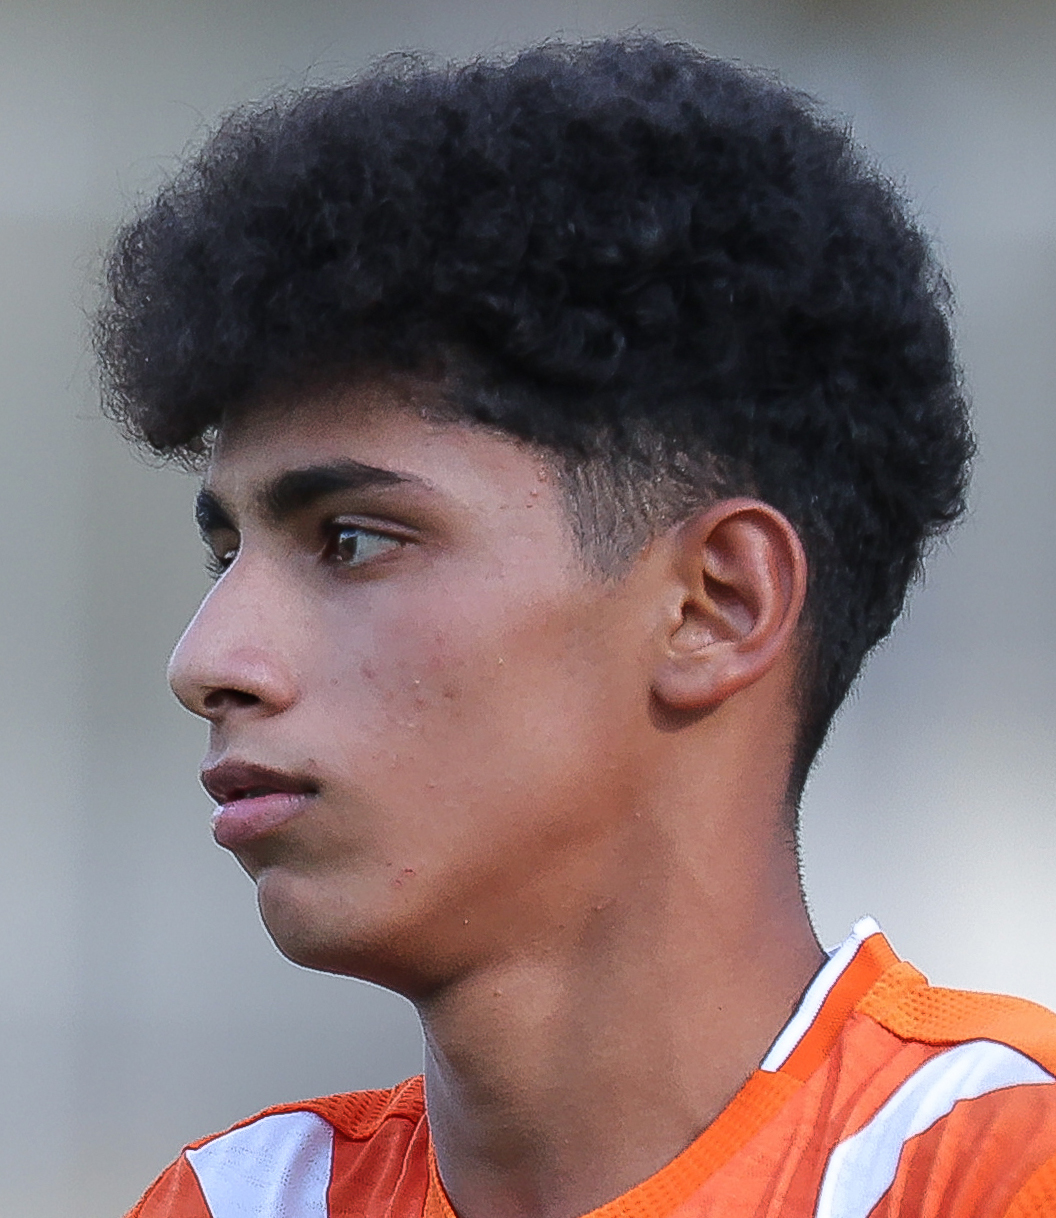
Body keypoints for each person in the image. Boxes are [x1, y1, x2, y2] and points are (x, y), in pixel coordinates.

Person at [96, 36, 1056, 1218]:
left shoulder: (997, 1173)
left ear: (716, 606)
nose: (206, 662)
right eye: (226, 552)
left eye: (353, 540)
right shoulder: (240, 1201)